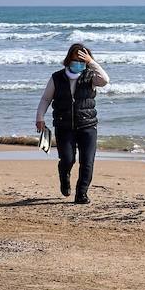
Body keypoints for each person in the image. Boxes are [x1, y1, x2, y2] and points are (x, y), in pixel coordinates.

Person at [36, 43, 110, 204]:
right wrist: (40, 117)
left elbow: (105, 80)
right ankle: (64, 177)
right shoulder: (57, 77)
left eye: (83, 59)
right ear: (69, 59)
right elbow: (46, 99)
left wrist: (91, 62)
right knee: (68, 160)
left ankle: (81, 194)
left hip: (88, 125)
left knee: (87, 161)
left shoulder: (91, 76)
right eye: (76, 59)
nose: (79, 62)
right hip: (64, 126)